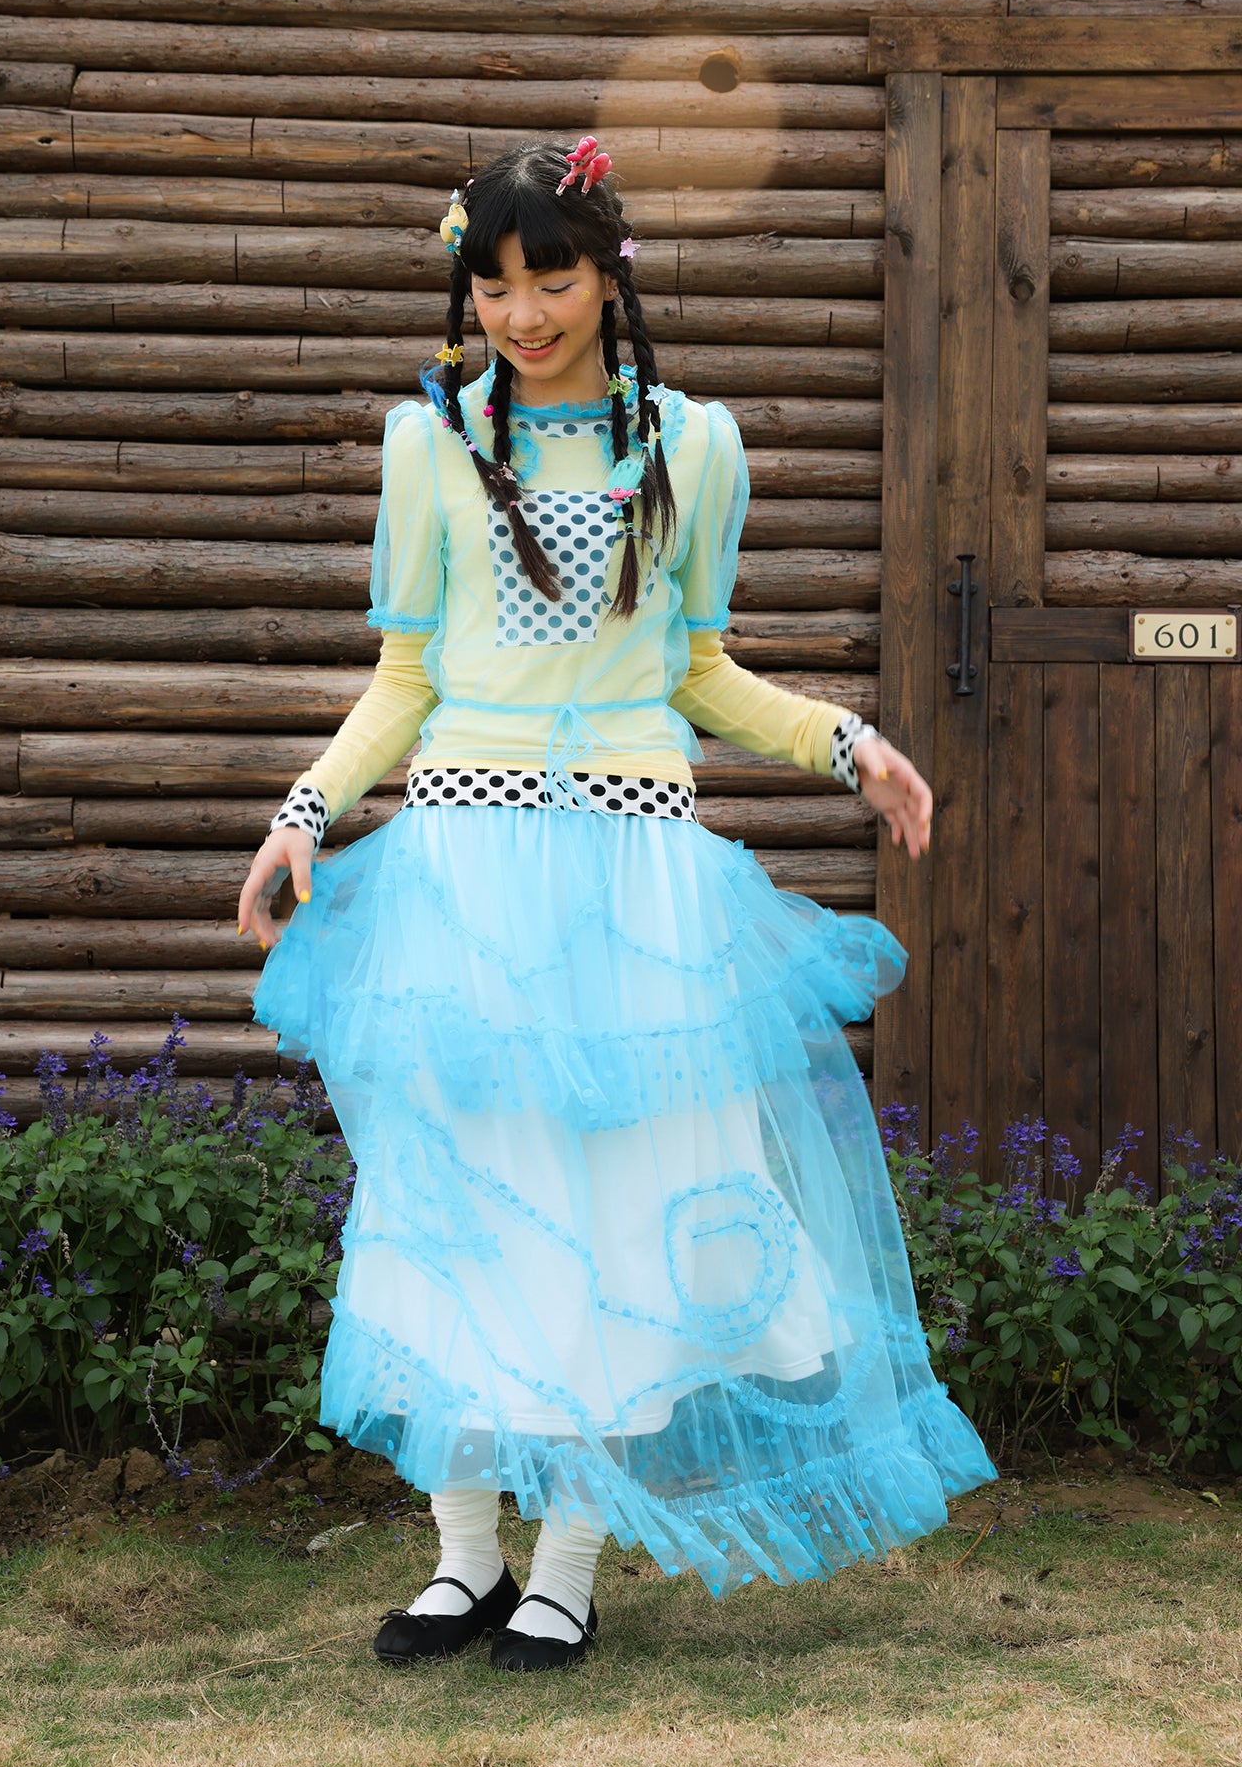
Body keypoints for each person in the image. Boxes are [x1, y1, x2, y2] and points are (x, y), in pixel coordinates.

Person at [236, 136, 995, 1674]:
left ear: (610, 275)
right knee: (456, 1201)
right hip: (466, 872)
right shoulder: (431, 442)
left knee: (623, 1210)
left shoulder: (693, 448)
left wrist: (845, 745)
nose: (522, 315)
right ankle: (463, 1560)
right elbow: (406, 679)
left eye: (554, 279)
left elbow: (698, 671)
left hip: (636, 877)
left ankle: (569, 1567)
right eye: (494, 286)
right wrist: (302, 812)